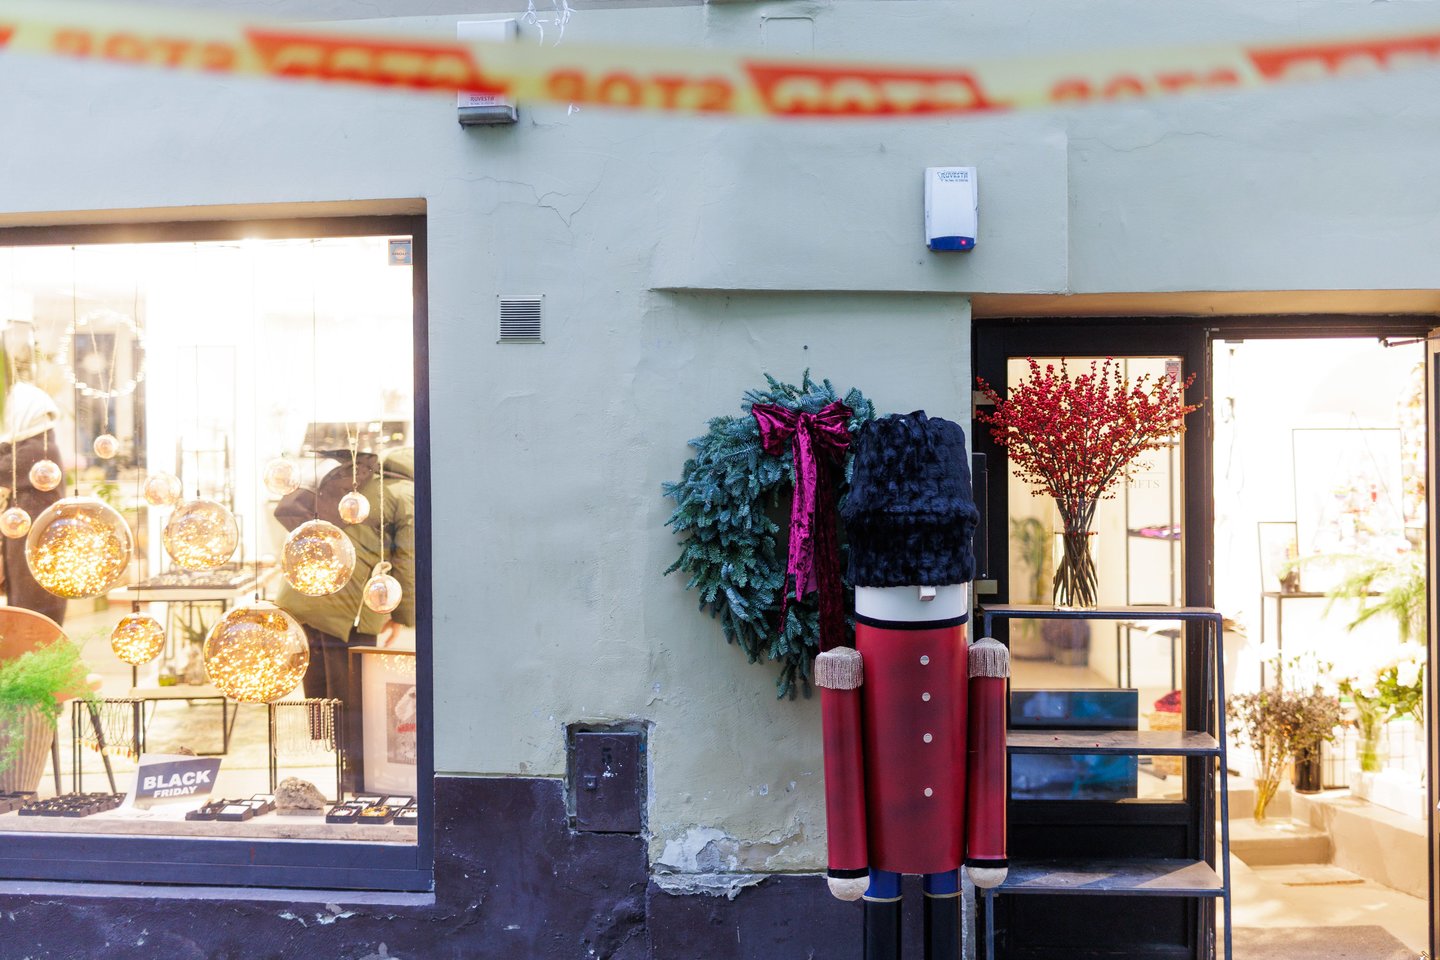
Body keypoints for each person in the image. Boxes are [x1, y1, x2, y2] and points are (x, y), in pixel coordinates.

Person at [274, 446, 416, 791]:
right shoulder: (405, 494)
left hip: (303, 593)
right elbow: (407, 559)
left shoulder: (356, 487)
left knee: (326, 694)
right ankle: (357, 779)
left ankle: (339, 763)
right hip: (348, 608)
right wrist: (401, 616)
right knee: (355, 697)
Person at [0, 380, 66, 625]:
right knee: (25, 604)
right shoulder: (37, 446)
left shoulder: (38, 450)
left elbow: (3, 470)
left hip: (36, 540)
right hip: (27, 536)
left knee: (33, 608)